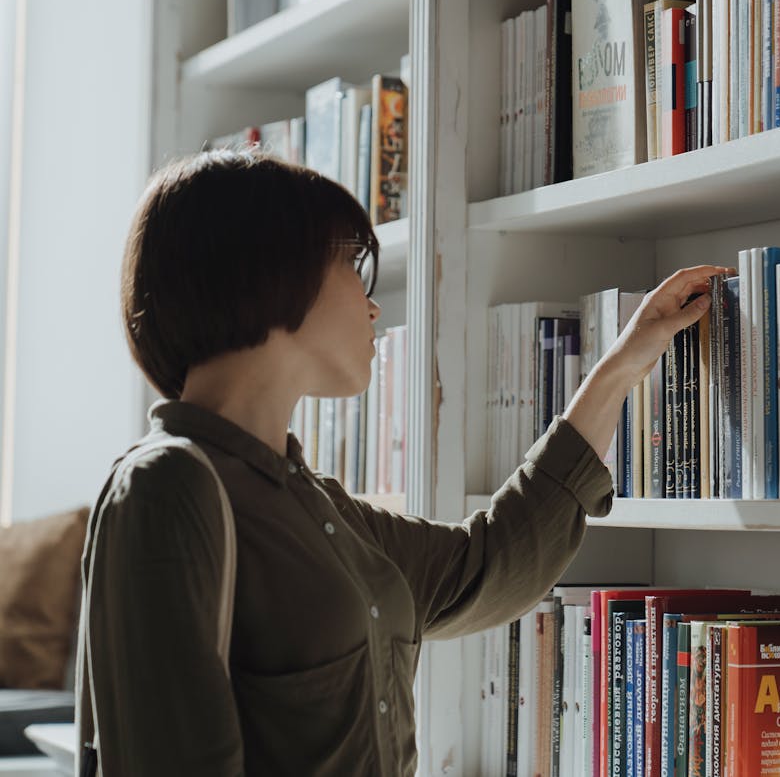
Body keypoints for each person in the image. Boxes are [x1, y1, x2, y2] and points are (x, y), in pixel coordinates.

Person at [75, 150, 729, 776]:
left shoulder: (317, 508)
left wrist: (621, 366)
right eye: (351, 267)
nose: (373, 303)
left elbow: (490, 563)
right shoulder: (165, 490)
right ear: (269, 271)